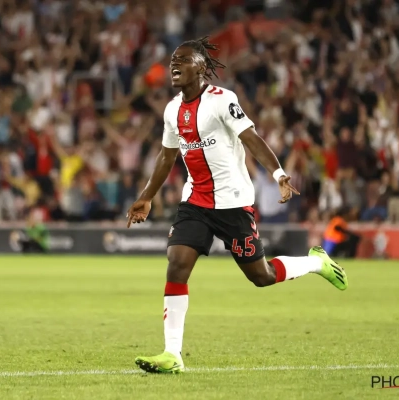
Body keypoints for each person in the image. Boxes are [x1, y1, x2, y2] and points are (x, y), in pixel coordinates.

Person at [126, 37, 348, 374]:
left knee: (261, 276)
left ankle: (317, 263)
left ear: (201, 67)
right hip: (194, 202)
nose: (174, 65)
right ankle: (172, 354)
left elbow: (251, 138)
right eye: (173, 60)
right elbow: (166, 156)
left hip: (233, 203)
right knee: (177, 264)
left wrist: (279, 174)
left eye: (183, 60)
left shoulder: (222, 100)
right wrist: (146, 196)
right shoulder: (172, 110)